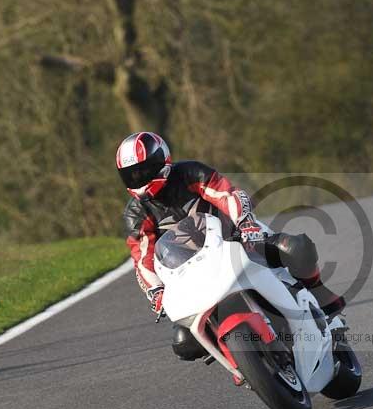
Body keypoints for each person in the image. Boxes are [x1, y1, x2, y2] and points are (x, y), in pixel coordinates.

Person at [116, 131, 345, 360]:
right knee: (184, 342)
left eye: (144, 170)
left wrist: (245, 224)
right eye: (131, 175)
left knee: (295, 249)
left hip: (236, 239)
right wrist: (156, 291)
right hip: (191, 272)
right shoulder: (136, 213)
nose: (139, 179)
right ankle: (240, 362)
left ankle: (324, 305)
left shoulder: (189, 173)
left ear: (161, 161)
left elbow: (227, 194)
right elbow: (142, 258)